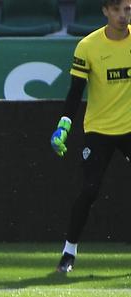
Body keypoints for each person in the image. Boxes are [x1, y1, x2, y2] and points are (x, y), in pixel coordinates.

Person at [50, 0, 131, 273]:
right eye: (118, 9)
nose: (123, 15)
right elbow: (75, 91)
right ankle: (69, 251)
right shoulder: (88, 46)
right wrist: (64, 126)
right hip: (99, 129)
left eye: (128, 9)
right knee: (90, 189)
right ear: (106, 11)